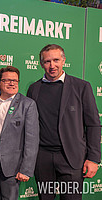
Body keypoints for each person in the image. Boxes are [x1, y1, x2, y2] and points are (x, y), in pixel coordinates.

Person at [27, 44, 101, 200]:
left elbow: (93, 124)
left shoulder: (81, 87)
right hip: (43, 159)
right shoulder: (34, 89)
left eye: (56, 60)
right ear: (41, 64)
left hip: (71, 158)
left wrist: (94, 158)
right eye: (47, 61)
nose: (52, 65)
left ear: (63, 60)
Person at [0, 66, 39, 200]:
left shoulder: (27, 104)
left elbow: (32, 140)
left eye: (15, 80)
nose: (11, 83)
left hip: (12, 166)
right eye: (7, 80)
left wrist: (26, 169)